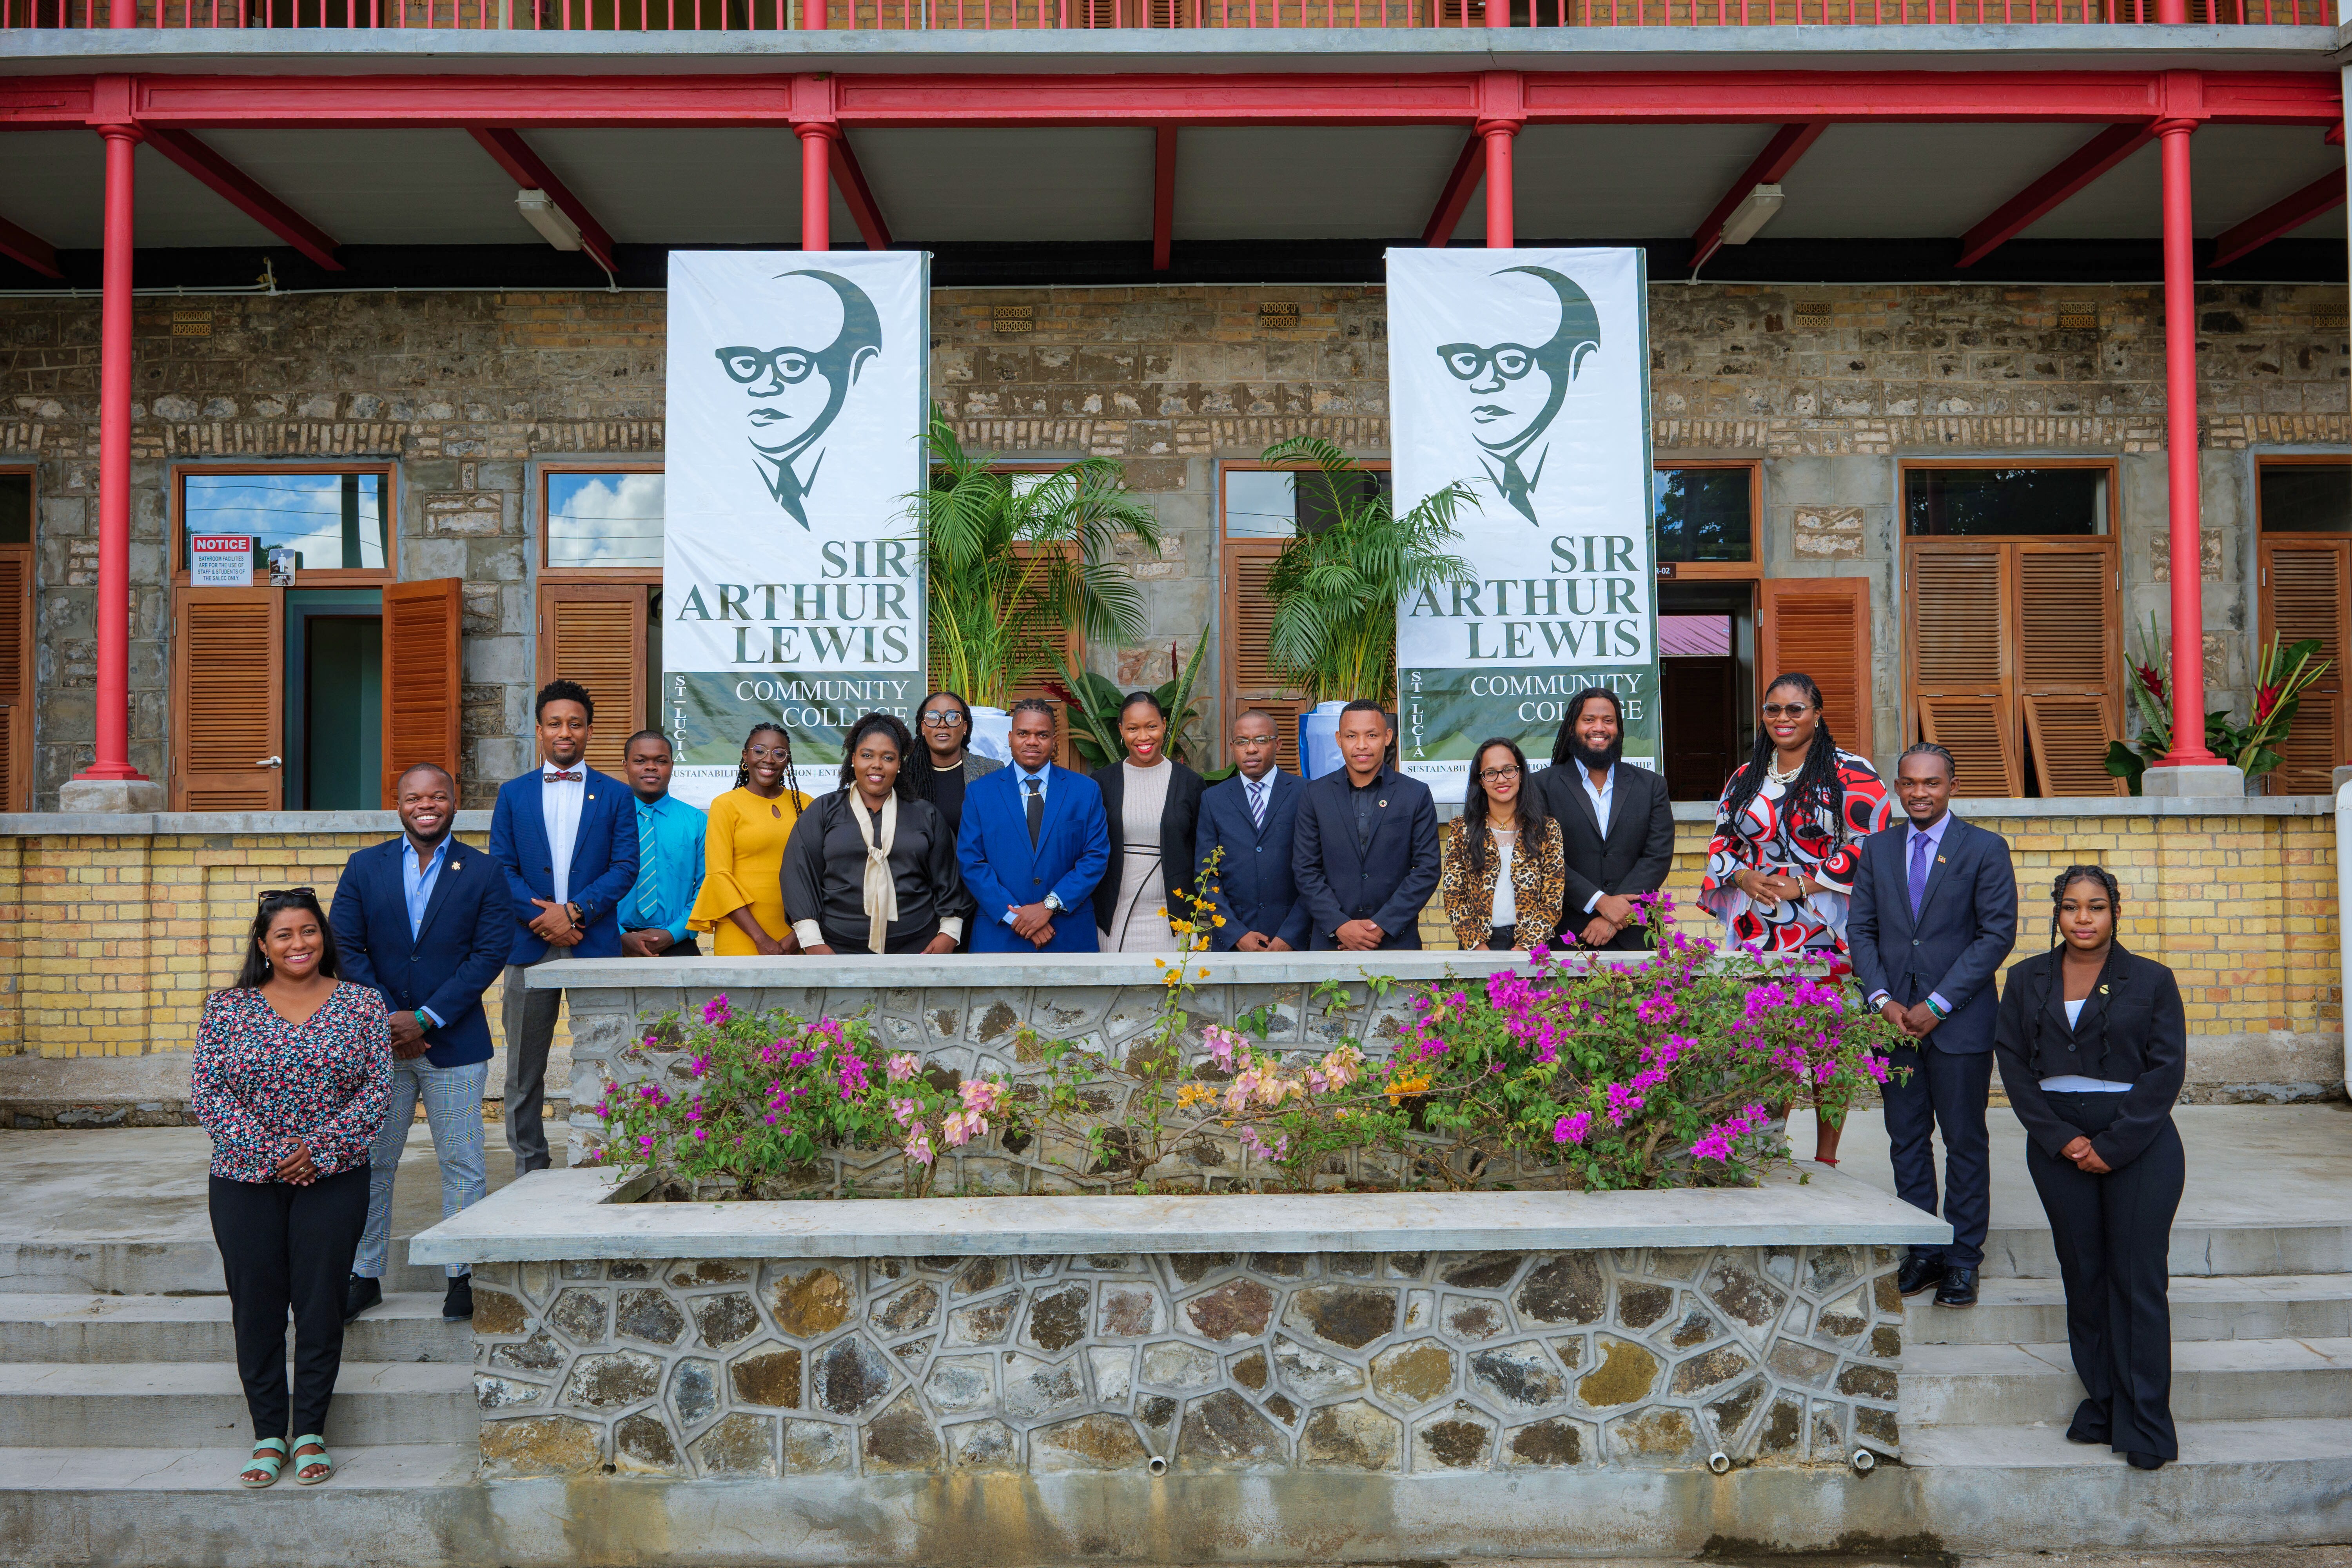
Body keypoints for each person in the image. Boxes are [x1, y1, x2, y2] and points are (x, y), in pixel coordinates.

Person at [191, 888, 390, 1490]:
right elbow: (209, 1093)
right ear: (263, 945)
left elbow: (376, 1091)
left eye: (308, 932)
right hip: (244, 1181)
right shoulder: (227, 1008)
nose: (298, 944)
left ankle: (309, 1432)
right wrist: (278, 1153)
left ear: (323, 938)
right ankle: (268, 1433)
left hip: (334, 1179)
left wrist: (319, 1152)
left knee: (320, 1303)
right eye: (284, 935)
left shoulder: (361, 1004)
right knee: (256, 1308)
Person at [1993, 865, 2186, 1473]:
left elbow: (2165, 1070)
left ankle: (2147, 1424)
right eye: (2072, 907)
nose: (2084, 918)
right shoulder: (2025, 979)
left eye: (2096, 907)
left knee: (2137, 1282)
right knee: (2084, 1276)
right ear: (2057, 913)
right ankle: (2103, 1403)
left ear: (2114, 912)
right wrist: (2064, 1140)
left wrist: (2115, 1144)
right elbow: (2014, 1066)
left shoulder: (2153, 980)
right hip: (2057, 1146)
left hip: (2141, 1142)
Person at [330, 762, 511, 1327]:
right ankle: (364, 1274)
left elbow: (489, 953)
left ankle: (463, 1275)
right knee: (372, 1162)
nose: (425, 805)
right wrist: (390, 1016)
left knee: (462, 1162)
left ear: (454, 802)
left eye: (437, 796)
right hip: (378, 1045)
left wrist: (427, 1019)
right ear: (399, 803)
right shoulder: (365, 867)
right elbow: (344, 945)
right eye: (414, 797)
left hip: (455, 1044)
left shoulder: (484, 872)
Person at [1847, 742, 2019, 1307]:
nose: (1920, 793)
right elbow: (1862, 931)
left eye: (1932, 783)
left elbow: (1995, 936)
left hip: (1960, 1025)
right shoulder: (1877, 849)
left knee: (1965, 1142)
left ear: (1952, 785)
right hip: (1893, 1023)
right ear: (1898, 788)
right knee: (1906, 1139)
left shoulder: (1986, 850)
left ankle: (1964, 1259)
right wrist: (1881, 999)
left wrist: (1939, 1004)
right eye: (1910, 784)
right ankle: (1923, 1249)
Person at [487, 679, 639, 1175]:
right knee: (523, 1069)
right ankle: (530, 1165)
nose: (565, 732)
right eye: (555, 723)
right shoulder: (513, 795)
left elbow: (624, 866)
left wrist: (574, 912)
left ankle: (603, 1159)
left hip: (592, 942)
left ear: (589, 731)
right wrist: (546, 918)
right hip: (528, 946)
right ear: (539, 730)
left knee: (607, 1058)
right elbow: (501, 869)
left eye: (575, 723)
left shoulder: (616, 795)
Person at [1699, 671, 1891, 956]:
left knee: (1827, 999)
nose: (1783, 718)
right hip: (1758, 919)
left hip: (1829, 917)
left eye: (1795, 709)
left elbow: (1872, 845)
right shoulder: (1745, 777)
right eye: (1773, 709)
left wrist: (1801, 885)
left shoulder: (1852, 773)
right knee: (1760, 997)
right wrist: (1742, 878)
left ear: (1817, 715)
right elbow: (1722, 843)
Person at [782, 712, 970, 955]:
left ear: (900, 764)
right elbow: (799, 874)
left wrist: (949, 934)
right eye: (867, 755)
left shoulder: (924, 814)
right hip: (836, 950)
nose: (877, 765)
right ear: (853, 759)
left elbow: (950, 876)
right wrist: (812, 942)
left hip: (918, 948)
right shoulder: (823, 810)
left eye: (888, 757)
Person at [958, 697, 1110, 953]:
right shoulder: (979, 793)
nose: (1032, 741)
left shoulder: (1085, 791)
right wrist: (1017, 918)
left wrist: (1049, 906)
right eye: (1023, 733)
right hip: (1000, 936)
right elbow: (971, 863)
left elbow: (1095, 858)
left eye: (1042, 734)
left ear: (1054, 741)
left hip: (1068, 934)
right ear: (1010, 738)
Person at [1293, 700, 1441, 952]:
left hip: (1396, 942)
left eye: (1371, 735)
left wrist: (1381, 925)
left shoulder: (1415, 794)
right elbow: (1306, 870)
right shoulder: (1314, 795)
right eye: (1352, 736)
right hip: (1332, 943)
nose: (1361, 745)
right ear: (1339, 739)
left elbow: (1427, 870)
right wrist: (1340, 925)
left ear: (1387, 737)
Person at [1535, 686, 1675, 950]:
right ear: (1572, 727)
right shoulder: (1541, 785)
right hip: (1569, 938)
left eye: (1608, 721)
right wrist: (1599, 901)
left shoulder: (1651, 785)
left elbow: (1657, 856)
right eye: (1589, 720)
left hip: (1637, 936)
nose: (1599, 728)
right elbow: (1542, 858)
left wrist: (1616, 916)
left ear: (1619, 730)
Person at [686, 721, 815, 956]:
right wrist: (761, 938)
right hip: (741, 932)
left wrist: (796, 938)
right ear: (746, 756)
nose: (769, 759)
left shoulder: (806, 804)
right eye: (759, 751)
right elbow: (719, 878)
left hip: (798, 931)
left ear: (787, 761)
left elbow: (820, 875)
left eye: (779, 753)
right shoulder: (726, 805)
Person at [1093, 691, 1205, 951]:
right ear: (1121, 730)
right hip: (1115, 920)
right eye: (1133, 728)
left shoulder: (1190, 784)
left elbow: (1200, 853)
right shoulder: (1101, 783)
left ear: (1164, 725)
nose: (1143, 737)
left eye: (1151, 727)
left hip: (1174, 921)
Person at [1194, 708, 1310, 953]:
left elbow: (1317, 872)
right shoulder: (1213, 799)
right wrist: (1236, 934)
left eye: (1261, 740)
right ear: (1232, 746)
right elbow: (1206, 876)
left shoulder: (1306, 793)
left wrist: (1290, 935)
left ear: (1278, 744)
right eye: (1242, 742)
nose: (1251, 749)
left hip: (1295, 941)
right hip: (1235, 941)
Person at [1439, 737, 1565, 951]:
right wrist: (1478, 946)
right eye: (1491, 773)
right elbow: (1454, 898)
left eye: (1509, 770)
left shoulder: (1547, 830)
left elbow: (1553, 900)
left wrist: (1525, 947)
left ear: (1521, 773)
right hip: (1478, 946)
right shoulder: (1463, 830)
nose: (1501, 779)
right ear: (1480, 780)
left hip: (1531, 947)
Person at [619, 730, 708, 958]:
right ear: (625, 765)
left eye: (661, 761)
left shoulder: (697, 821)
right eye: (640, 761)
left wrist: (674, 933)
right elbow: (589, 881)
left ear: (672, 766)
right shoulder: (605, 818)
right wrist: (619, 935)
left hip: (677, 943)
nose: (651, 767)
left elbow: (707, 886)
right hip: (615, 942)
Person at [904, 690, 1004, 841]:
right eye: (933, 717)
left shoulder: (992, 771)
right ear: (923, 728)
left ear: (965, 728)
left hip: (976, 864)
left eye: (952, 717)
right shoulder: (905, 776)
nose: (943, 724)